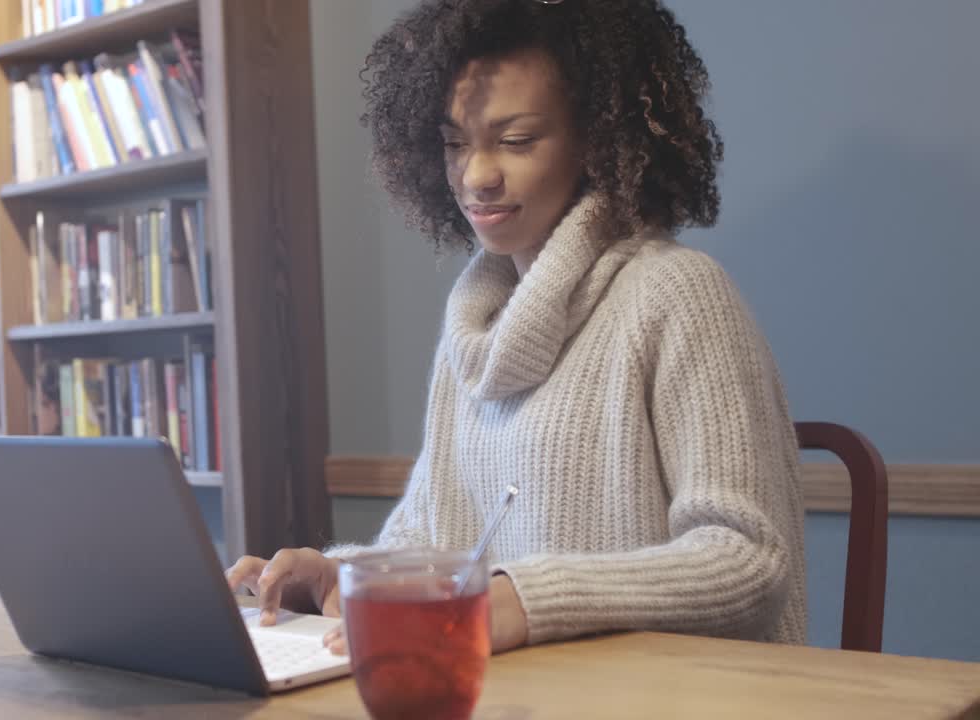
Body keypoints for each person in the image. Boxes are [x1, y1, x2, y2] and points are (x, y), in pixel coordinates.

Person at [226, 0, 807, 654]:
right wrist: (343, 576)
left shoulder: (679, 295)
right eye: (453, 143)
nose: (476, 175)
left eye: (517, 140)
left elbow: (750, 561)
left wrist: (524, 600)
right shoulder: (474, 327)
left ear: (598, 137)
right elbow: (431, 536)